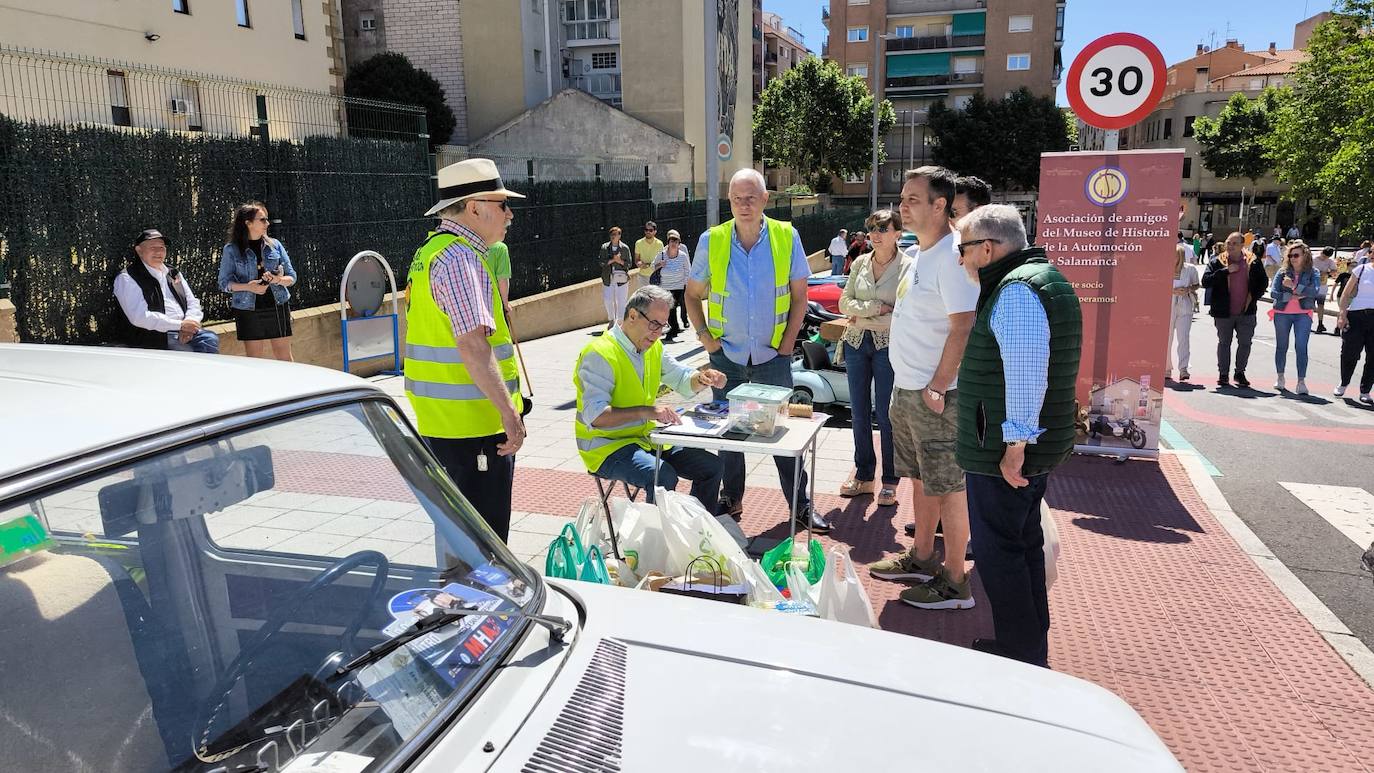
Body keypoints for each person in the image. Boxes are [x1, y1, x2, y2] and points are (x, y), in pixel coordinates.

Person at [952, 204, 1082, 667]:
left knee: (1002, 553)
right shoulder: (1041, 280)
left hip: (1003, 450)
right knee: (1022, 546)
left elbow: (1027, 376)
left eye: (962, 249)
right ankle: (1028, 644)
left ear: (987, 249)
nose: (960, 260)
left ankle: (1019, 652)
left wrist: (1014, 446)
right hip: (1025, 444)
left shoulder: (1016, 291)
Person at [685, 168, 831, 533]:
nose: (744, 205)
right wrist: (705, 336)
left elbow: (801, 297)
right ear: (729, 201)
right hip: (727, 356)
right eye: (737, 199)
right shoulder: (712, 240)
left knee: (783, 435)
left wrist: (787, 344)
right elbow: (690, 294)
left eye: (751, 198)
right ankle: (730, 498)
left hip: (772, 356)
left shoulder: (786, 235)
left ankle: (800, 505)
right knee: (728, 434)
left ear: (766, 199)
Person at [867, 166, 979, 611]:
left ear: (940, 205)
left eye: (913, 199)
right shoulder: (923, 253)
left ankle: (955, 581)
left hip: (938, 395)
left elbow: (963, 325)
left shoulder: (952, 256)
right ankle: (924, 556)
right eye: (902, 198)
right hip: (910, 389)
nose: (902, 206)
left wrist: (937, 384)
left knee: (950, 485)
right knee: (920, 478)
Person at [403, 157, 526, 541]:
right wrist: (509, 413)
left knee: (458, 540)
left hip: (445, 426)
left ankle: (460, 600)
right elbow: (473, 345)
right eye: (502, 204)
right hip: (474, 429)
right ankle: (477, 602)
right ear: (474, 207)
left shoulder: (431, 251)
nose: (509, 214)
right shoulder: (460, 258)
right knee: (484, 547)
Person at [574, 286, 728, 509]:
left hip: (644, 438)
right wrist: (648, 412)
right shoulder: (599, 353)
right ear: (633, 316)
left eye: (663, 326)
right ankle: (655, 541)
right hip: (604, 447)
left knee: (712, 467)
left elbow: (681, 377)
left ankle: (699, 534)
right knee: (662, 476)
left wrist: (702, 378)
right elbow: (596, 416)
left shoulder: (652, 348)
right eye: (654, 324)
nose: (658, 333)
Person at [838, 209, 911, 507]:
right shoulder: (860, 263)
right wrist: (878, 308)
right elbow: (844, 302)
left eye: (883, 228)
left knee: (886, 413)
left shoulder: (908, 266)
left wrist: (863, 312)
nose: (876, 233)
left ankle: (890, 481)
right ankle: (865, 474)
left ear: (898, 233)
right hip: (856, 342)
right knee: (858, 412)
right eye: (872, 228)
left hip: (888, 346)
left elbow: (903, 313)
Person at [113, 228, 219, 353]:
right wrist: (180, 325)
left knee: (210, 339)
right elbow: (139, 317)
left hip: (184, 328)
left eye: (162, 248)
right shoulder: (127, 278)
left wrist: (190, 323)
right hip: (155, 337)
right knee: (189, 352)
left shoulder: (173, 272)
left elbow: (192, 301)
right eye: (153, 248)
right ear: (139, 251)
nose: (159, 252)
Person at [218, 201, 297, 361]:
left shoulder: (275, 245)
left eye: (266, 219)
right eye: (262, 219)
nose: (267, 223)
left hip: (278, 305)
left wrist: (278, 279)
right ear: (248, 223)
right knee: (255, 361)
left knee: (285, 358)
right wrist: (249, 287)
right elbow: (224, 283)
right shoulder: (231, 250)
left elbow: (292, 277)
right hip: (247, 310)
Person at [1202, 232, 1268, 388]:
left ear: (1242, 245)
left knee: (1245, 343)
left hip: (1246, 311)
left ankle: (1239, 373)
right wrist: (1225, 272)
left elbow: (1263, 282)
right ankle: (1223, 374)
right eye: (1228, 243)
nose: (1230, 246)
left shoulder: (1253, 261)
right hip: (1223, 312)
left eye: (1234, 243)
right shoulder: (1217, 261)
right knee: (1224, 343)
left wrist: (1253, 297)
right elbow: (1205, 281)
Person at [1270, 241, 1320, 394]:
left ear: (1305, 256)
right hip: (1282, 314)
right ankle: (1280, 377)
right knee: (1281, 346)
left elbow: (1315, 291)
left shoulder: (1313, 272)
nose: (1292, 258)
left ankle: (1301, 382)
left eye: (1296, 255)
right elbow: (1273, 293)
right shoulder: (1282, 272)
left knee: (1301, 347)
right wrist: (1290, 297)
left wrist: (1293, 287)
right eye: (1290, 255)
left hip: (1303, 314)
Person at [1335, 257, 1374, 404]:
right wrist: (1342, 315)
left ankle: (1365, 390)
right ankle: (1344, 382)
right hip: (1357, 316)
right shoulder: (1362, 269)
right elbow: (1345, 294)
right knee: (1349, 353)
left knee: (1373, 357)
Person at [1167, 243, 1200, 382]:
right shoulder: (1164, 268)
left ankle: (1183, 368)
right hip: (1168, 306)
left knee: (1184, 337)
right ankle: (1166, 368)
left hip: (1185, 305)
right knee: (1167, 338)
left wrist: (1188, 289)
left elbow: (1197, 284)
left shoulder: (1190, 269)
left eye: (1175, 256)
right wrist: (1171, 291)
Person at [651, 229, 692, 339]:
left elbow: (688, 270)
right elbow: (653, 266)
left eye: (676, 242)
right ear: (668, 243)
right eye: (671, 241)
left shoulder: (683, 256)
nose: (673, 244)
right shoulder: (662, 255)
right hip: (666, 287)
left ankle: (676, 326)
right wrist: (660, 264)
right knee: (670, 309)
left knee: (676, 307)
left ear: (679, 244)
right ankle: (674, 328)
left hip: (679, 287)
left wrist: (686, 285)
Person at [600, 226, 635, 330]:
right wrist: (612, 260)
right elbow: (601, 262)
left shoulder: (624, 248)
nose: (614, 236)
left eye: (616, 234)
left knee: (621, 300)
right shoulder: (604, 247)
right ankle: (611, 319)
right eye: (612, 234)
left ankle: (620, 322)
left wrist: (619, 261)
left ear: (620, 235)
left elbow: (629, 264)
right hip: (608, 277)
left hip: (621, 278)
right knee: (608, 299)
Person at [1314, 246, 1338, 334]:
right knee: (1310, 305)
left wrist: (1327, 272)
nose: (1323, 258)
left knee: (1320, 305)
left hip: (1322, 285)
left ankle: (1320, 324)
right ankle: (1307, 321)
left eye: (1326, 257)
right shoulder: (1313, 259)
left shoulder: (1330, 262)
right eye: (1323, 255)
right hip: (1311, 284)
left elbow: (1334, 271)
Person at [633, 221, 663, 289]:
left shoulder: (660, 244)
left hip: (655, 276)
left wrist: (649, 265)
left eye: (650, 230)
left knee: (654, 298)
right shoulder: (638, 243)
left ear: (655, 231)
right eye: (646, 230)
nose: (648, 232)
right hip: (642, 276)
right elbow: (637, 260)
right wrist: (639, 263)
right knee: (643, 298)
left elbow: (661, 261)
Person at [489, 241, 513, 317]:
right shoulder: (500, 248)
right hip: (494, 302)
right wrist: (505, 304)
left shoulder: (466, 245)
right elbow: (503, 279)